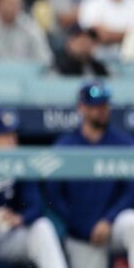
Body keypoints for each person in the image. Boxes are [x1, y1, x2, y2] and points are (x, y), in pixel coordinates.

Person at [47, 82, 134, 268]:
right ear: (82, 108)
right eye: (96, 106)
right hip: (82, 234)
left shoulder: (124, 143)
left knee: (132, 223)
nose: (102, 111)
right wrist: (84, 228)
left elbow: (131, 191)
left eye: (104, 105)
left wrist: (109, 220)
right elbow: (54, 196)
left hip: (114, 226)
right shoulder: (65, 146)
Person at [0, 111, 67, 268]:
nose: (13, 141)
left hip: (8, 235)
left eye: (14, 135)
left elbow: (36, 206)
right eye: (6, 136)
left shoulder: (20, 162)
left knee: (42, 227)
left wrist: (19, 218)